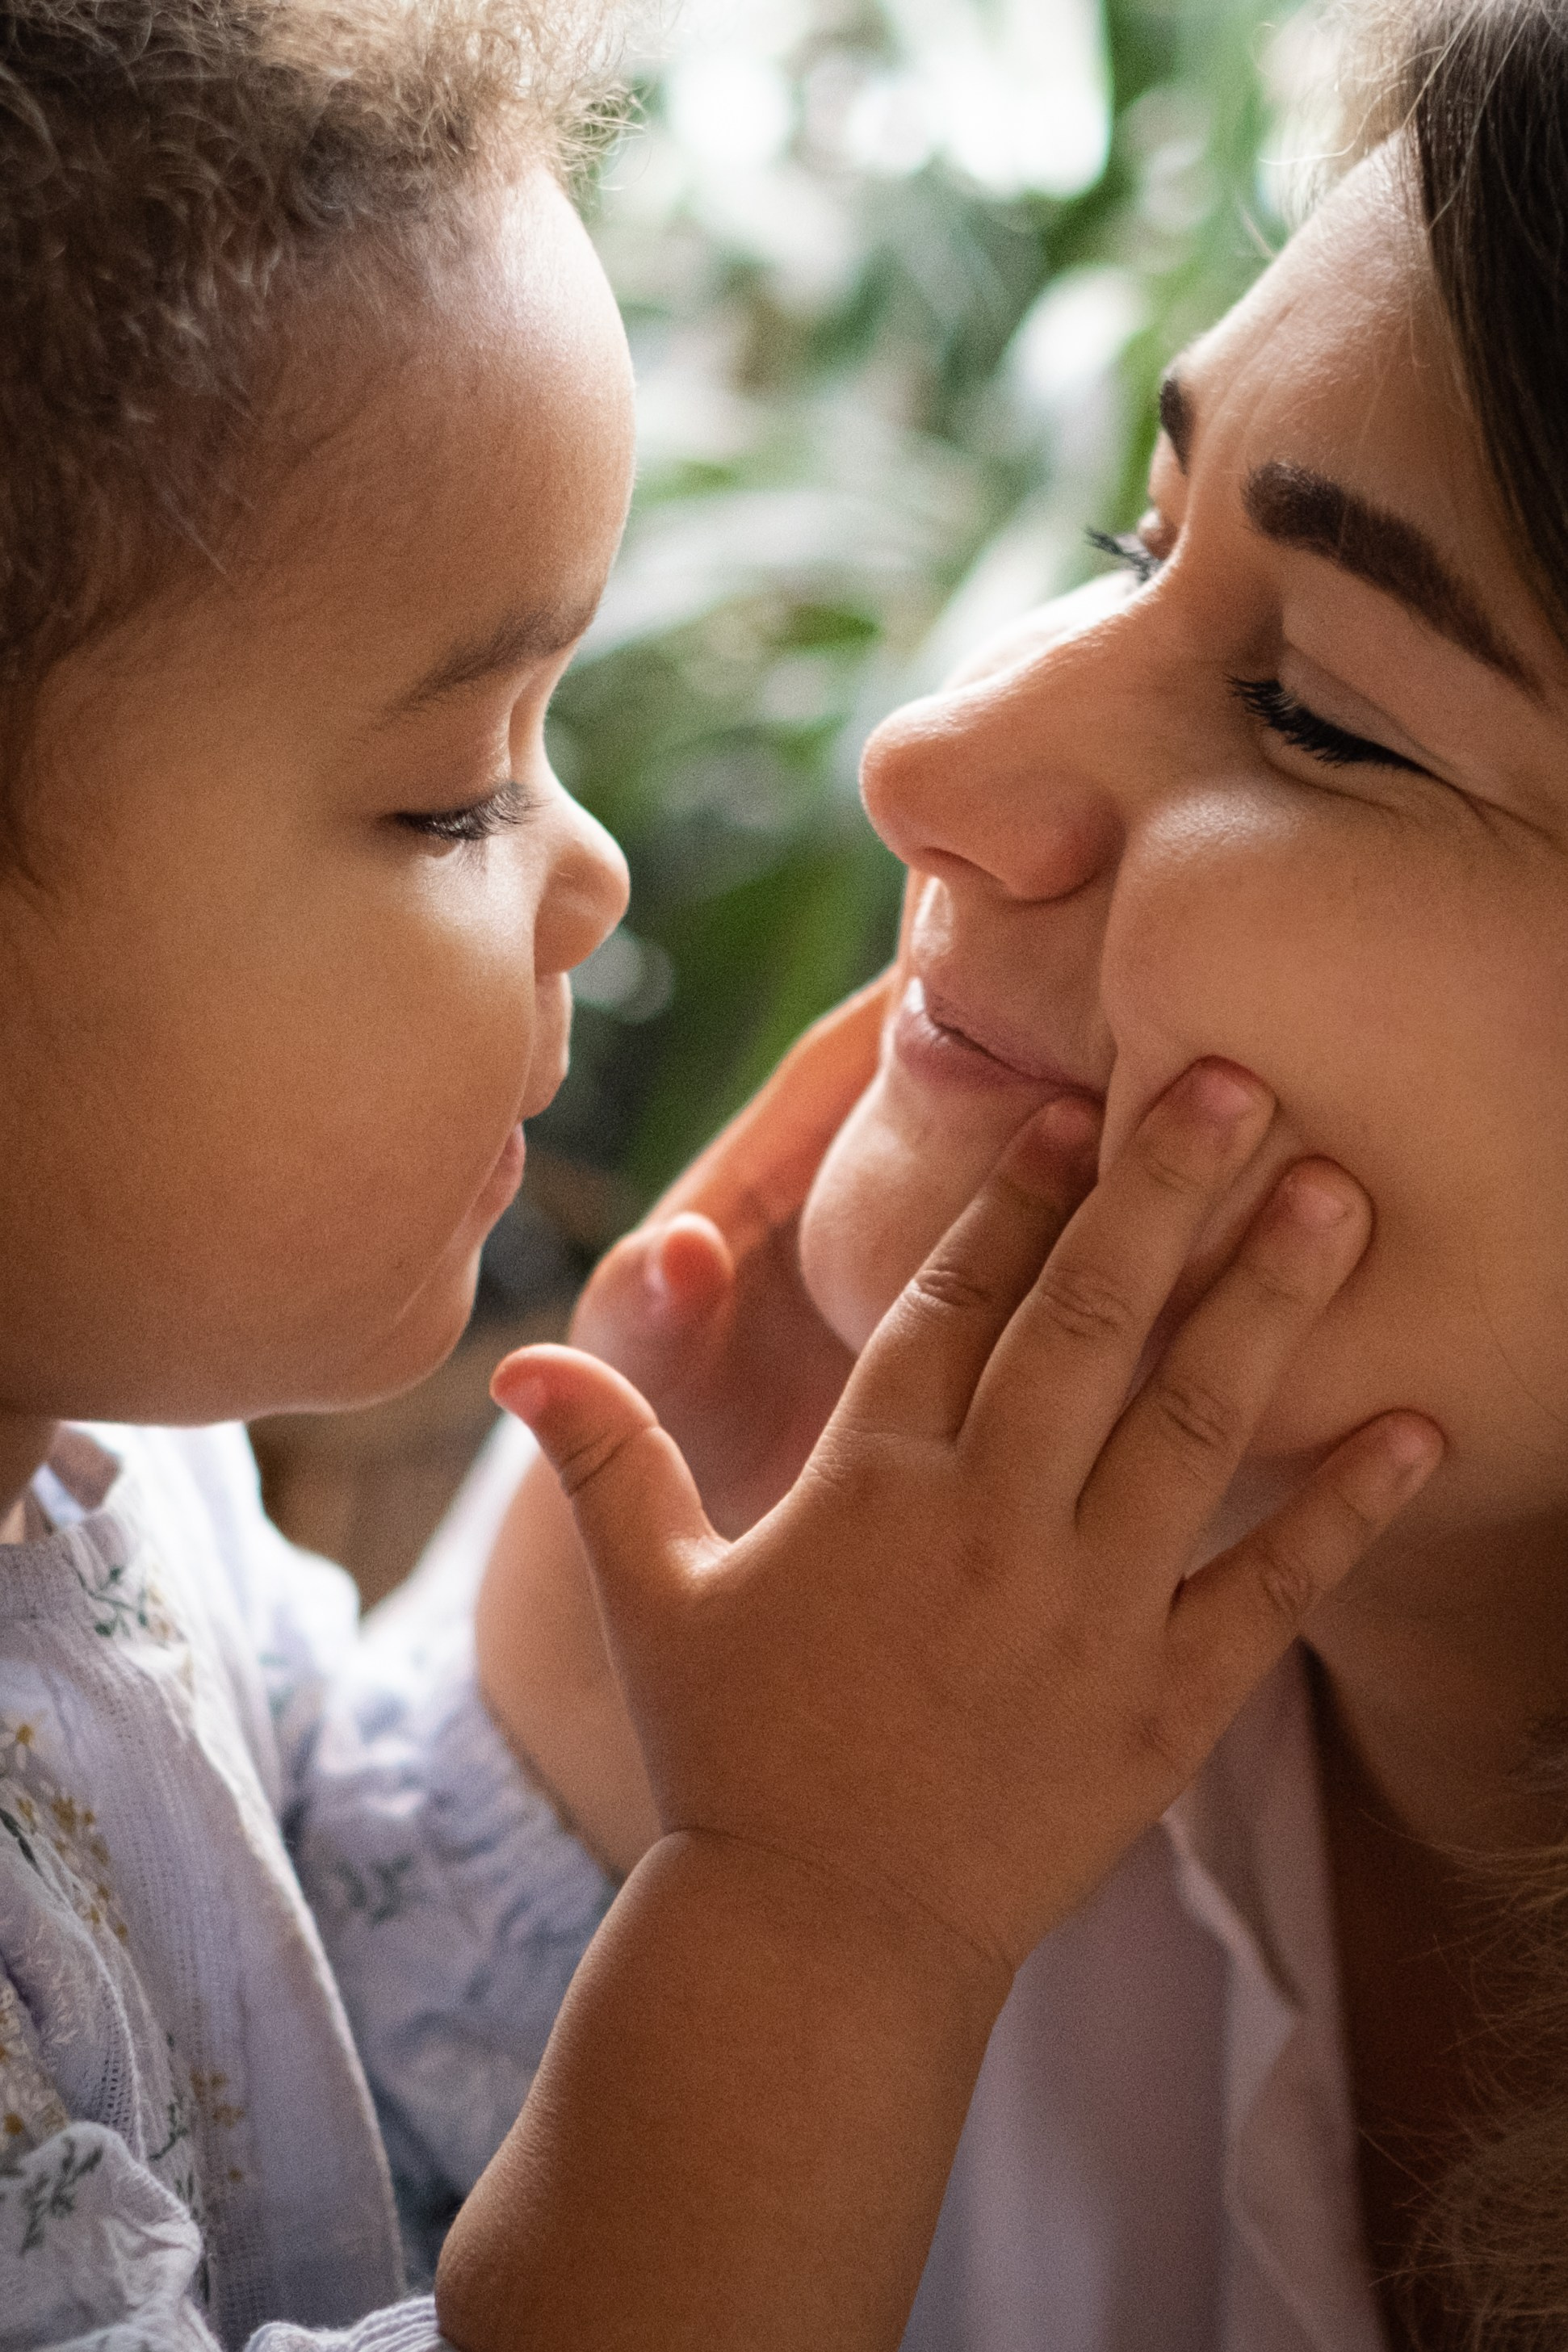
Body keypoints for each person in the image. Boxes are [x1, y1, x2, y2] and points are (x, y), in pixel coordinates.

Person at [0, 3, 1436, 2349]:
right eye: (450, 792)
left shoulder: (109, 1477)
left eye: (1326, 708)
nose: (590, 872)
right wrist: (826, 1908)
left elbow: (328, 2065)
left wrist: (591, 1689)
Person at [471, 2, 1568, 2345]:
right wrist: (543, 1810)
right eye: (1131, 537)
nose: (933, 751)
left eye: (1320, 712)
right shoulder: (786, 1521)